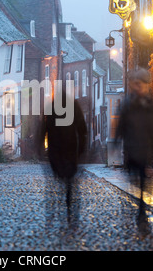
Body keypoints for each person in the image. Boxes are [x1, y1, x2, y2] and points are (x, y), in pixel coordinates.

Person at [115, 68, 153, 237]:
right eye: (139, 85)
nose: (142, 88)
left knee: (142, 184)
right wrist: (117, 142)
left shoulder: (149, 103)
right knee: (137, 182)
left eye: (144, 85)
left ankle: (141, 215)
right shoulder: (128, 103)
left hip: (144, 150)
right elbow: (121, 125)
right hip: (132, 149)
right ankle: (140, 213)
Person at [39, 89, 87, 227]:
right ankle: (70, 212)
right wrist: (82, 151)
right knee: (70, 183)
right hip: (70, 152)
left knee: (59, 182)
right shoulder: (74, 107)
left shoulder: (51, 108)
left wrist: (41, 148)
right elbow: (82, 131)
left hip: (56, 152)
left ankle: (59, 212)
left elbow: (43, 130)